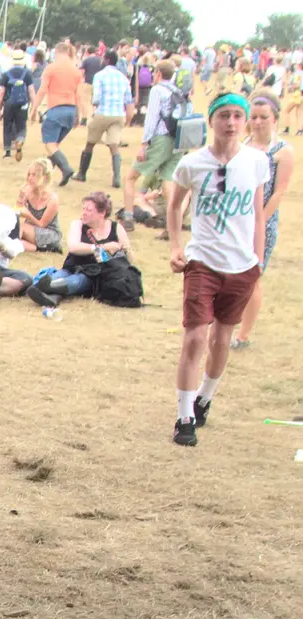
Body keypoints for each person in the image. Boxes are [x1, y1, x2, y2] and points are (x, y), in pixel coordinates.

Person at [165, 93, 269, 446]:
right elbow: (176, 205)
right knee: (195, 337)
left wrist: (257, 258)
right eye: (224, 115)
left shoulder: (256, 161)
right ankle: (184, 416)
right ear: (211, 120)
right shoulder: (192, 164)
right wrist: (176, 246)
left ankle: (205, 398)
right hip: (203, 262)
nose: (232, 122)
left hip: (242, 266)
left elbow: (257, 210)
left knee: (222, 338)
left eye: (238, 116)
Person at [233, 91, 292, 348]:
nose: (258, 122)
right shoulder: (242, 144)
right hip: (237, 219)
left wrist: (258, 224)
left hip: (262, 224)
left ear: (275, 119)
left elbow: (279, 191)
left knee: (253, 277)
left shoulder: (282, 151)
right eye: (254, 117)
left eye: (263, 117)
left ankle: (243, 334)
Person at [26, 190, 133, 307]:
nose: (84, 213)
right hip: (71, 267)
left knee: (77, 281)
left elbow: (129, 262)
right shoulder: (78, 224)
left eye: (89, 210)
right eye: (83, 209)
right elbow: (74, 247)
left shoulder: (116, 228)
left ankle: (46, 289)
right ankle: (49, 295)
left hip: (93, 275)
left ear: (102, 213)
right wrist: (102, 247)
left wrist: (126, 250)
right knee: (58, 277)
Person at [123, 59, 184, 226]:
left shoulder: (157, 90)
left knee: (130, 178)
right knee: (168, 182)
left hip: (161, 139)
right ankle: (173, 221)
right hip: (178, 141)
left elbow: (151, 118)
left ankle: (128, 218)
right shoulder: (178, 91)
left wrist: (144, 144)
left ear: (158, 73)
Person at [77, 50, 134, 186]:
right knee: (114, 146)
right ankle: (117, 178)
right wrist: (128, 119)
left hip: (103, 112)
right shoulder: (123, 78)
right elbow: (129, 101)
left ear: (107, 60)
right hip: (118, 115)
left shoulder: (100, 76)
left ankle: (82, 173)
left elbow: (96, 98)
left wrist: (93, 105)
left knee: (90, 143)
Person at [30, 41, 83, 184]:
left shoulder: (51, 68)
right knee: (55, 146)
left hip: (56, 109)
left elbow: (42, 90)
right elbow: (78, 95)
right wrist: (79, 114)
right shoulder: (76, 71)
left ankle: (66, 168)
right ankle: (46, 176)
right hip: (71, 109)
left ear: (56, 52)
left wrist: (34, 109)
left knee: (49, 144)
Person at [17, 159, 62, 251]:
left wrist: (28, 216)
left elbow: (42, 224)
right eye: (29, 174)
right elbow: (18, 209)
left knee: (21, 227)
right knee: (14, 227)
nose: (30, 178)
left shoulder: (52, 199)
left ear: (44, 177)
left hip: (49, 232)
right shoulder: (29, 192)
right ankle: (36, 248)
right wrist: (21, 195)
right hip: (31, 229)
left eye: (34, 175)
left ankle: (10, 248)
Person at [0, 49, 33, 160]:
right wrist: (34, 106)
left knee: (7, 126)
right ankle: (20, 140)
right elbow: (31, 90)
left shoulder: (6, 74)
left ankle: (7, 152)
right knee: (21, 125)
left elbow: (1, 92)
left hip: (9, 103)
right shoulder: (27, 73)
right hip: (22, 103)